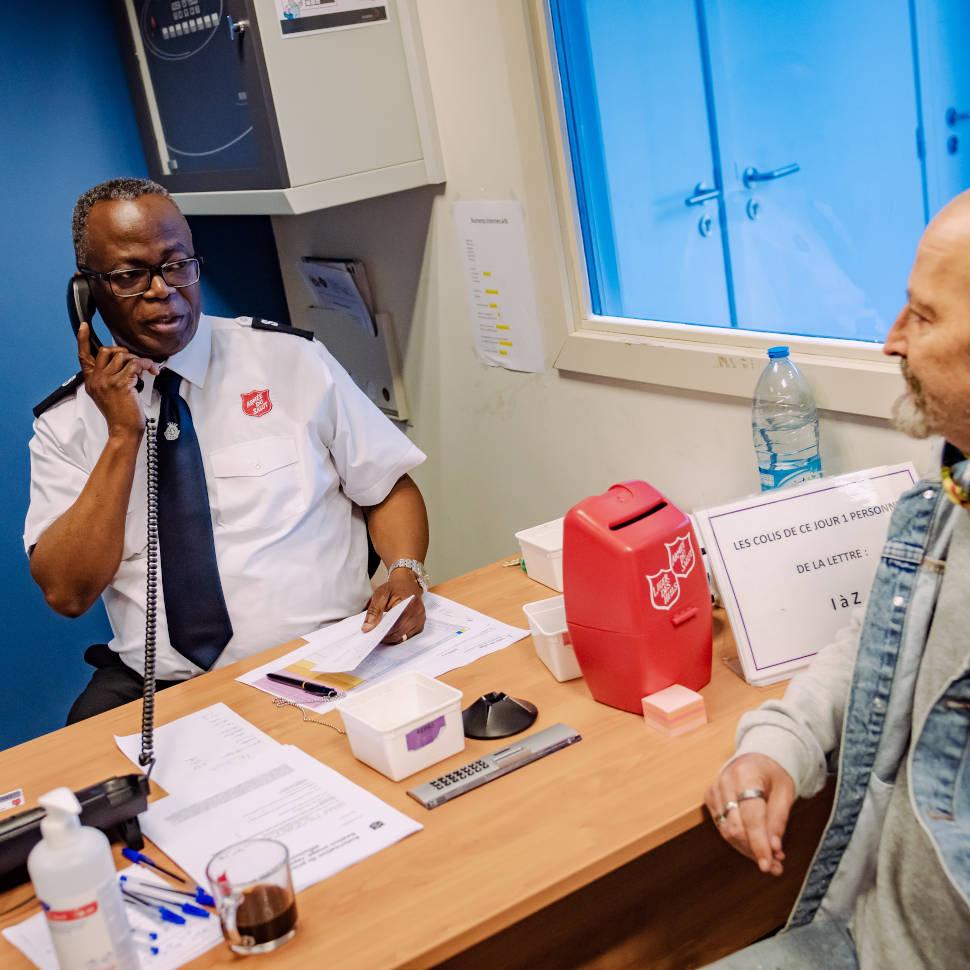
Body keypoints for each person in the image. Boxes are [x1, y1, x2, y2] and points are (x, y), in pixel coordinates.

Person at [25, 177, 431, 723]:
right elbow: (67, 593)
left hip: (326, 657)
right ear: (87, 293)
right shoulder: (65, 424)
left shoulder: (291, 361)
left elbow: (387, 487)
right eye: (128, 276)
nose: (161, 289)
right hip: (167, 687)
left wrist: (406, 571)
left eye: (176, 265)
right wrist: (122, 436)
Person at [702, 193, 970, 968]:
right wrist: (782, 743)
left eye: (922, 317)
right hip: (859, 935)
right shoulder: (951, 484)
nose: (893, 341)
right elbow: (886, 639)